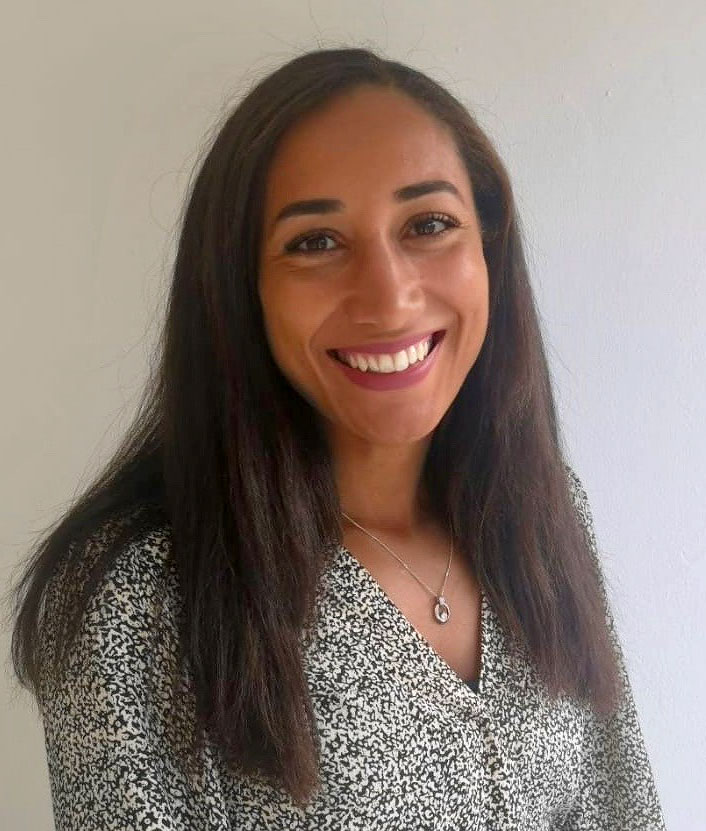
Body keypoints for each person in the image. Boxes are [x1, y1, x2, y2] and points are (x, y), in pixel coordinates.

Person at [10, 47, 666, 830]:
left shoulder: (546, 514)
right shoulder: (139, 597)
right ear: (238, 288)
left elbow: (623, 804)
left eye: (429, 224)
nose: (389, 297)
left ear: (487, 248)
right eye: (316, 241)